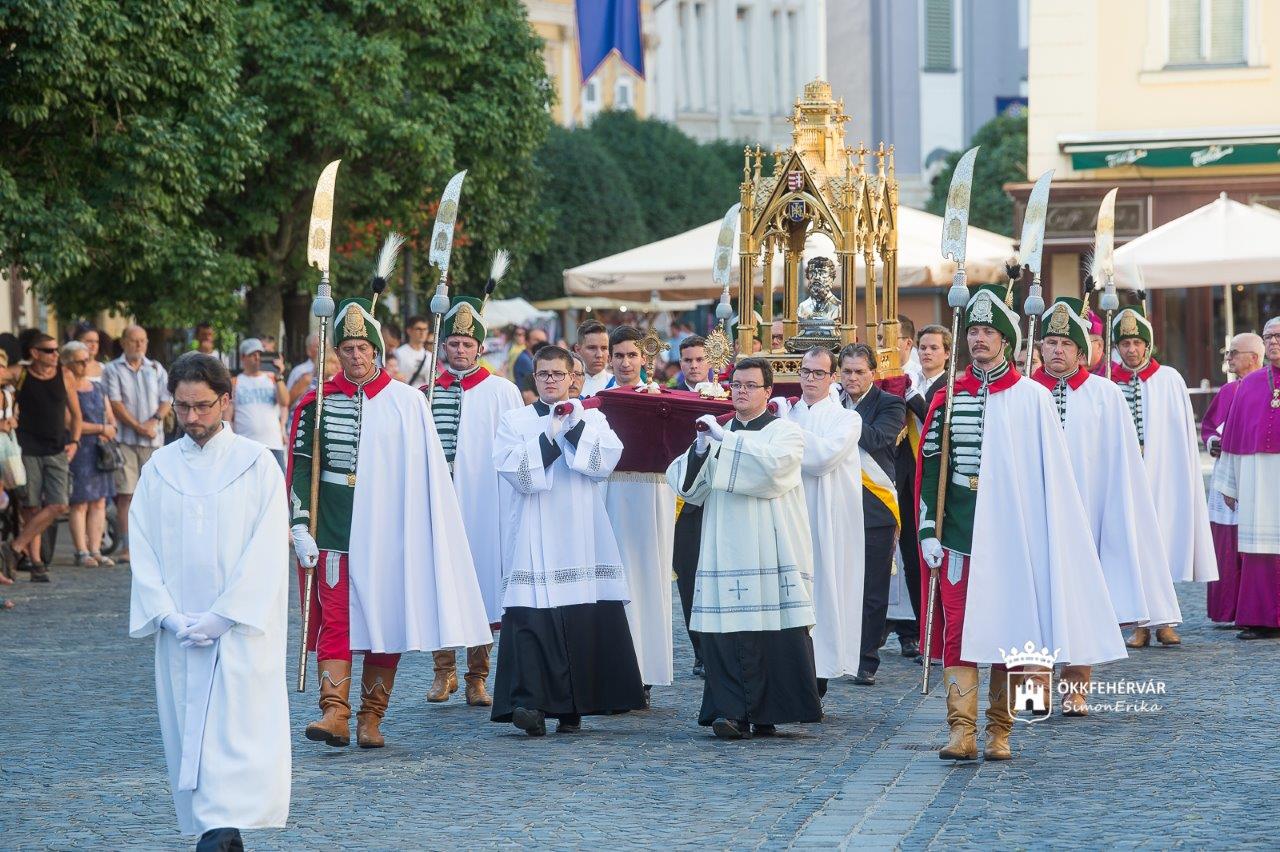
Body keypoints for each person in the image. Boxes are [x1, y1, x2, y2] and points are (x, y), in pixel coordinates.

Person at [916, 284, 1124, 761]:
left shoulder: (1032, 397)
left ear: (1006, 341)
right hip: (958, 534)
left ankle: (1000, 731)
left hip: (1012, 537)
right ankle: (961, 731)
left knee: (1012, 630)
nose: (980, 340)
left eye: (989, 332)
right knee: (958, 632)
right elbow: (931, 468)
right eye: (974, 332)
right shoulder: (948, 396)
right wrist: (929, 530)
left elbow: (1048, 475)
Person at [288, 296, 490, 749]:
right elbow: (302, 466)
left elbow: (427, 473)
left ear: (377, 351)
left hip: (391, 533)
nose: (356, 357)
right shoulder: (314, 403)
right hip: (334, 528)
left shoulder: (407, 402)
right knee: (335, 620)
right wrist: (300, 523)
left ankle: (370, 717)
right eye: (347, 349)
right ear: (335, 352)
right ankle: (334, 713)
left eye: (363, 349)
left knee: (385, 622)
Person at [128, 352, 290, 849]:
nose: (192, 418)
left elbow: (266, 545)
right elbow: (143, 544)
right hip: (180, 629)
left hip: (237, 630)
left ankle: (222, 830)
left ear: (226, 400)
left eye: (201, 406)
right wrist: (167, 615)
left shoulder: (256, 463)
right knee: (189, 732)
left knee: (234, 732)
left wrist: (225, 614)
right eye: (182, 408)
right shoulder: (160, 468)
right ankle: (216, 831)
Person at [1032, 297, 1180, 714]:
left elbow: (1122, 463)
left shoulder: (1104, 395)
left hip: (1087, 511)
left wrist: (1117, 515)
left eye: (1066, 343)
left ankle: (1075, 686)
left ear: (1084, 351)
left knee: (1083, 598)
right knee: (1035, 595)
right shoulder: (1025, 391)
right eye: (1050, 342)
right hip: (1038, 511)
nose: (1056, 350)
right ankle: (1034, 683)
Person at [491, 345, 645, 735]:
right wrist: (548, 438)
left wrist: (572, 428)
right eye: (543, 375)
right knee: (530, 614)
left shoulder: (592, 418)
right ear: (534, 378)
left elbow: (606, 462)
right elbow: (514, 471)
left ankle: (575, 705)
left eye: (558, 375)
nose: (551, 381)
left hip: (581, 532)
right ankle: (530, 702)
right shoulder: (515, 420)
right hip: (533, 528)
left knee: (581, 617)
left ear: (571, 378)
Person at [667, 357, 821, 739]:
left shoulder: (785, 432)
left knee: (771, 630)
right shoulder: (715, 433)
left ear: (768, 392)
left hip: (772, 547)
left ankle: (770, 710)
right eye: (736, 384)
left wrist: (725, 442)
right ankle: (728, 711)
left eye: (751, 385)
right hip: (725, 546)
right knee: (727, 631)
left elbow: (773, 472)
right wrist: (701, 450)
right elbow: (688, 489)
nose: (741, 390)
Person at [423, 296, 523, 707]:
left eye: (467, 344)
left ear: (480, 347)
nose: (460, 350)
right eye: (453, 344)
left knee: (482, 584)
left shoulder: (503, 392)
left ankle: (476, 676)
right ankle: (441, 670)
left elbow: (516, 448)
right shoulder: (427, 392)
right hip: (440, 501)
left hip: (485, 504)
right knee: (440, 581)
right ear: (443, 346)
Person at [1109, 304, 1217, 647]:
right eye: (1124, 344)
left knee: (1162, 542)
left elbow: (1179, 434)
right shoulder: (1108, 382)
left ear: (1148, 344)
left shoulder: (1168, 379)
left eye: (1137, 343)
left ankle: (1166, 621)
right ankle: (1140, 624)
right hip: (1126, 475)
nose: (1131, 349)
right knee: (1133, 546)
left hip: (1162, 473)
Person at [777, 347, 865, 692]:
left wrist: (784, 430)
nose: (810, 379)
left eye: (818, 373)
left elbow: (820, 458)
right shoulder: (787, 413)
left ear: (833, 378)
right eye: (805, 371)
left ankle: (820, 672)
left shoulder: (846, 419)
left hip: (826, 517)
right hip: (787, 513)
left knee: (824, 589)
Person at [602, 325, 676, 699]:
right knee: (614, 583)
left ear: (644, 359)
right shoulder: (597, 401)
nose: (626, 362)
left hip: (651, 498)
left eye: (632, 355)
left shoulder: (663, 400)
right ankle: (613, 672)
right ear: (609, 358)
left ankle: (645, 672)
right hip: (610, 497)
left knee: (649, 579)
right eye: (619, 355)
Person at [838, 342, 905, 686]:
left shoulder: (890, 404)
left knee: (872, 588)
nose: (852, 378)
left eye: (859, 372)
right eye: (846, 371)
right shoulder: (831, 402)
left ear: (873, 374)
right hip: (836, 503)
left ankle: (866, 659)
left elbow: (879, 439)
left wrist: (842, 418)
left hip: (874, 507)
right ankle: (839, 651)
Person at [1214, 317, 1280, 640]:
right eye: (1268, 337)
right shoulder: (1251, 385)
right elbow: (1233, 439)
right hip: (1256, 480)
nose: (1273, 342)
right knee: (1258, 548)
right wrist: (1229, 483)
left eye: (1278, 337)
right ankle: (1259, 619)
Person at [891, 324, 952, 657]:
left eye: (934, 348)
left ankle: (942, 630)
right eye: (924, 348)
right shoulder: (910, 379)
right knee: (913, 561)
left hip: (936, 479)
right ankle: (920, 628)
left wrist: (909, 394)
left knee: (936, 557)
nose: (927, 353)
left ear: (946, 352)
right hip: (905, 477)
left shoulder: (948, 384)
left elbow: (931, 412)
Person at [3, 334, 83, 582]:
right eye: (49, 350)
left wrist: (75, 441)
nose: (55, 354)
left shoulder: (65, 375)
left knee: (59, 504)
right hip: (27, 449)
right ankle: (36, 563)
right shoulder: (20, 374)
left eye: (56, 350)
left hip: (57, 448)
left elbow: (76, 415)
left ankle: (15, 548)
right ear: (34, 353)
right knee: (31, 506)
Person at [1201, 332, 1265, 625]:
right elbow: (1210, 427)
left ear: (1253, 357)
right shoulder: (1228, 391)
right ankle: (1227, 608)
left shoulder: (1267, 389)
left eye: (1234, 353)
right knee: (1227, 545)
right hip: (1226, 471)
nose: (1228, 358)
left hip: (1257, 476)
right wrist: (1214, 440)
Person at [103, 325, 171, 564]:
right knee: (126, 495)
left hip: (154, 440)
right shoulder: (112, 369)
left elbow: (166, 398)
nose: (139, 345)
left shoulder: (156, 368)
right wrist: (137, 426)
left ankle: (155, 546)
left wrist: (153, 420)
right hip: (125, 441)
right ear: (123, 342)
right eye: (133, 340)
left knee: (156, 495)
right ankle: (127, 546)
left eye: (142, 340)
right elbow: (115, 402)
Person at [62, 342, 118, 568]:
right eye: (80, 360)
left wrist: (109, 429)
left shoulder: (97, 387)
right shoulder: (66, 389)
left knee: (99, 501)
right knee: (80, 502)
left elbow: (110, 416)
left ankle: (96, 549)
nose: (86, 364)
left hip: (100, 449)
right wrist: (102, 429)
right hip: (79, 448)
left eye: (87, 359)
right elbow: (69, 423)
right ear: (67, 363)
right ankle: (81, 551)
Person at [231, 338, 288, 470]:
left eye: (260, 354)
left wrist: (279, 375)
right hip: (245, 445)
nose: (257, 358)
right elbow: (229, 416)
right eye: (253, 354)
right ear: (243, 358)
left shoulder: (273, 378)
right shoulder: (235, 382)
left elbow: (285, 402)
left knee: (277, 487)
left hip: (273, 444)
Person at [575, 321, 612, 397]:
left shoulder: (617, 385)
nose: (599, 355)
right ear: (578, 350)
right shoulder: (566, 386)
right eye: (592, 348)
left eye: (604, 348)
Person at [395, 315, 434, 385]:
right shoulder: (399, 353)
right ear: (409, 331)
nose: (422, 333)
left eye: (425, 329)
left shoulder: (430, 356)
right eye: (418, 329)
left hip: (424, 395)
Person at [286, 332, 320, 410]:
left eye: (326, 346)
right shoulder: (299, 371)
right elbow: (287, 401)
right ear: (308, 350)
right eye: (319, 346)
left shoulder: (336, 371)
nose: (324, 349)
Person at [512, 327, 547, 393]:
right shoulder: (525, 360)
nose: (541, 343)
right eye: (537, 340)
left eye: (543, 341)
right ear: (526, 342)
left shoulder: (532, 358)